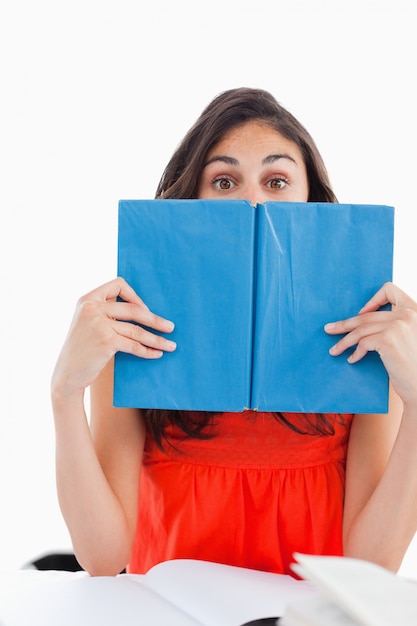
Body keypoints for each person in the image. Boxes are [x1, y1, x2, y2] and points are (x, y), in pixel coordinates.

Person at [51, 87, 417, 577]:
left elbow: (373, 565)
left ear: (312, 202)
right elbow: (102, 558)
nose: (251, 201)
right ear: (192, 199)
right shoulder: (131, 337)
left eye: (277, 179)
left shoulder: (366, 346)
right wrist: (63, 393)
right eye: (224, 182)